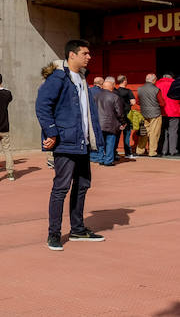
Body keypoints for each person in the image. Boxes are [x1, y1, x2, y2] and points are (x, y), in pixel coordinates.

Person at [36, 39, 105, 251]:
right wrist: (52, 133)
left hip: (81, 142)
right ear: (71, 55)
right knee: (61, 188)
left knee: (82, 185)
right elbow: (42, 106)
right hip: (65, 142)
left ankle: (77, 229)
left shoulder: (82, 78)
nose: (89, 56)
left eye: (89, 53)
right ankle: (54, 234)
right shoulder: (58, 78)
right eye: (85, 53)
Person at [92, 76, 125, 166]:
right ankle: (108, 160)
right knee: (110, 142)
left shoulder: (95, 96)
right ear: (111, 87)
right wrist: (123, 122)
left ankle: (101, 159)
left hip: (98, 123)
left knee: (100, 143)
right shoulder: (115, 97)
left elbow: (92, 110)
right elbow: (119, 112)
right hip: (111, 123)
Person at [136, 73, 164, 157]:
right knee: (154, 133)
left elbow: (137, 101)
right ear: (154, 80)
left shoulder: (140, 89)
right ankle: (152, 152)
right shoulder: (156, 89)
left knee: (143, 132)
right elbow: (162, 103)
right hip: (155, 113)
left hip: (144, 113)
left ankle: (140, 150)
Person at [156, 74, 179, 155]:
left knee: (163, 131)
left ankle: (163, 150)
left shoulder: (157, 84)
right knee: (173, 131)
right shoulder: (176, 84)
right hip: (174, 111)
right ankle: (172, 150)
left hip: (162, 111)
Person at [115, 75, 137, 159]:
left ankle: (114, 152)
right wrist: (128, 103)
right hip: (127, 115)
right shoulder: (128, 91)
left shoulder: (116, 91)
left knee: (117, 135)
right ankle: (128, 153)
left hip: (118, 115)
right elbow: (133, 102)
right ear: (124, 81)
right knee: (127, 135)